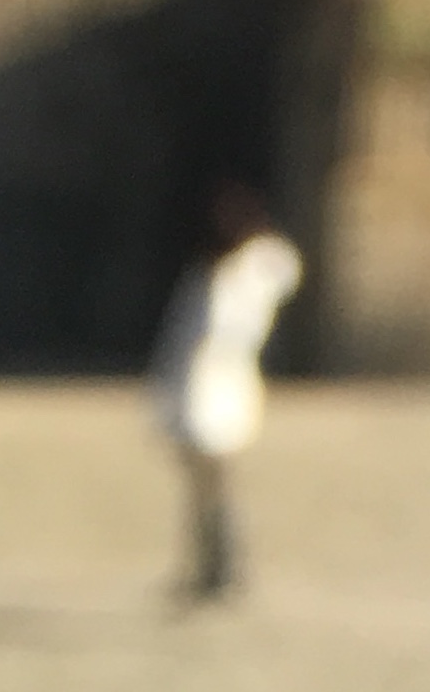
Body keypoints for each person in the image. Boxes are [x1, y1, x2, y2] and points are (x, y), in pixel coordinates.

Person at [147, 185, 304, 607]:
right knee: (200, 485)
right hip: (196, 385)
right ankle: (205, 566)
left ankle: (225, 567)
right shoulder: (210, 273)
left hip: (221, 385)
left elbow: (229, 327)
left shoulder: (253, 270)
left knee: (218, 481)